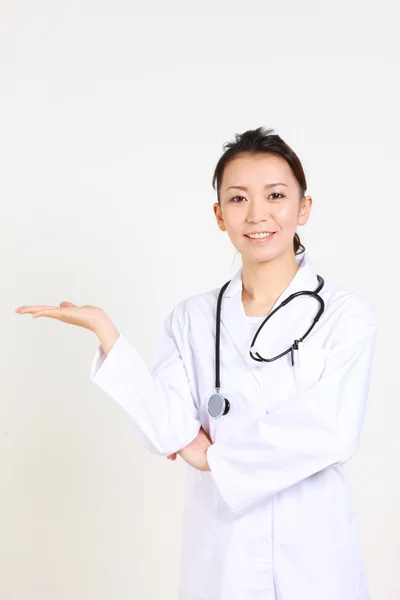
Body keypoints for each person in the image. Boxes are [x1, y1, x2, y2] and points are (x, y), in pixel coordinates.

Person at [15, 127, 378, 600]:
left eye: (275, 195)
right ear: (218, 214)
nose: (257, 215)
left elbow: (330, 430)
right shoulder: (192, 319)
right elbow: (163, 431)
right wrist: (108, 334)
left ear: (303, 208)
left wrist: (213, 457)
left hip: (316, 557)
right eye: (238, 198)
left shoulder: (346, 316)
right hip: (222, 558)